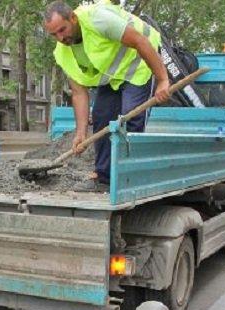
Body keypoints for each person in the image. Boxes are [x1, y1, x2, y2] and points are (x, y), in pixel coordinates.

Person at [43, 0, 171, 192]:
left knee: (130, 118)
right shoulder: (62, 53)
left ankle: (129, 177)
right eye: (54, 34)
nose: (60, 38)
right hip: (112, 77)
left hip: (139, 64)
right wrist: (80, 133)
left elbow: (139, 41)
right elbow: (79, 93)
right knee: (102, 117)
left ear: (73, 18)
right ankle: (103, 178)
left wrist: (162, 80)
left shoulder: (98, 20)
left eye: (62, 30)